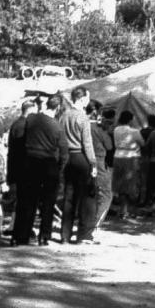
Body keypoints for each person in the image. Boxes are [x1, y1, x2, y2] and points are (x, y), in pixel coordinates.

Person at [13, 95, 68, 246]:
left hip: (30, 162)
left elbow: (22, 140)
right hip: (49, 165)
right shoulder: (57, 127)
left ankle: (22, 235)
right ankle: (44, 235)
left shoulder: (31, 119)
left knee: (28, 201)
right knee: (48, 203)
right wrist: (60, 169)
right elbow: (64, 152)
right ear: (57, 108)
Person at [60, 87, 98, 244]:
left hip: (67, 157)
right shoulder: (82, 117)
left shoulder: (63, 115)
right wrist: (93, 163)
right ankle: (84, 235)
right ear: (82, 99)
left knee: (68, 196)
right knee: (87, 197)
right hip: (81, 157)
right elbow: (87, 143)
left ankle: (65, 235)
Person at [4, 101, 35, 236]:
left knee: (19, 199)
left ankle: (14, 225)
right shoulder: (24, 125)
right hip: (23, 167)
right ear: (29, 110)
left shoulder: (16, 124)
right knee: (23, 199)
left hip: (15, 165)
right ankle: (18, 227)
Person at [112, 111, 145, 219]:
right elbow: (142, 143)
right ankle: (131, 210)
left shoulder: (116, 129)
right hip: (131, 157)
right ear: (130, 119)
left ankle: (123, 209)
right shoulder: (134, 131)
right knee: (132, 185)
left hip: (118, 156)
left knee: (121, 185)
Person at [89, 101, 115, 230]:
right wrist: (108, 131)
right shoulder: (99, 129)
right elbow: (109, 146)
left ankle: (86, 221)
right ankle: (96, 223)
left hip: (84, 159)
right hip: (99, 160)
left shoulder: (84, 124)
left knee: (89, 193)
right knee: (106, 194)